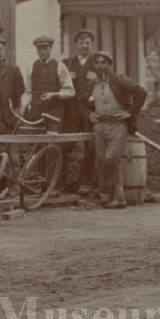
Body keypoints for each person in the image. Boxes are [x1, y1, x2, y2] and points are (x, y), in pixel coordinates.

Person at [86, 51, 147, 209]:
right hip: (99, 126)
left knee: (110, 159)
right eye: (97, 63)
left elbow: (141, 93)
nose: (100, 66)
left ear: (109, 64)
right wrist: (89, 113)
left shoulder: (119, 80)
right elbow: (82, 102)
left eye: (103, 62)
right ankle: (106, 196)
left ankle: (119, 197)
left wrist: (130, 112)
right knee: (101, 160)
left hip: (117, 125)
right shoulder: (92, 84)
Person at [62, 29, 98, 195]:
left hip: (91, 110)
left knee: (90, 147)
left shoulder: (98, 63)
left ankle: (85, 182)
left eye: (88, 43)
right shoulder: (67, 64)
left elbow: (110, 82)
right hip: (72, 111)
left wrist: (98, 79)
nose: (84, 46)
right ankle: (61, 182)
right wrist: (66, 78)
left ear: (92, 45)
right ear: (76, 45)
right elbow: (58, 85)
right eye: (82, 43)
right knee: (66, 145)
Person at [19, 35, 75, 129]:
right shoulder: (31, 66)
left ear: (51, 48)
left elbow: (71, 92)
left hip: (55, 112)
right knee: (37, 141)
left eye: (45, 48)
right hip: (37, 112)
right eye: (39, 49)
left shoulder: (60, 66)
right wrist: (23, 107)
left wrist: (54, 94)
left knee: (52, 141)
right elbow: (28, 92)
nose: (42, 51)